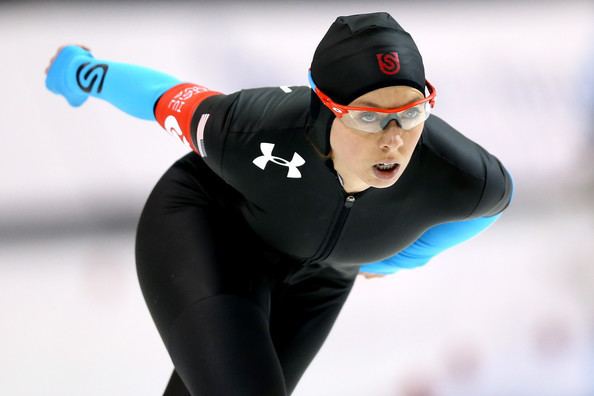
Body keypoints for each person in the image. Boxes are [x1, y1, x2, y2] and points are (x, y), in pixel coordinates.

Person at [45, 12, 513, 396]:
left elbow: (492, 205)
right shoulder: (251, 130)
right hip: (210, 232)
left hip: (323, 275)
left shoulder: (459, 173)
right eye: (369, 118)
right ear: (325, 109)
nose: (394, 140)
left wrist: (403, 259)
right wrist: (77, 71)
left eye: (410, 113)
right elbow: (163, 98)